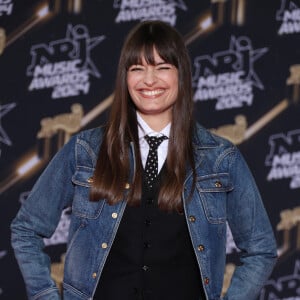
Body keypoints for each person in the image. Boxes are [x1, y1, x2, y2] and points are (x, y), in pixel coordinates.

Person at [11, 20, 277, 300]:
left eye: (162, 68)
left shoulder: (220, 158)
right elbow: (26, 228)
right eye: (137, 68)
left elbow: (260, 249)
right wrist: (45, 295)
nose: (149, 81)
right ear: (125, 78)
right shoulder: (85, 151)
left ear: (181, 75)